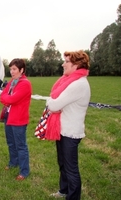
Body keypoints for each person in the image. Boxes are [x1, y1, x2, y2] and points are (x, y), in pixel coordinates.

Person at [47, 50, 90, 199]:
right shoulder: (71, 81)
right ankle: (64, 190)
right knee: (63, 165)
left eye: (66, 61)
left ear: (76, 65)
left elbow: (53, 105)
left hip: (70, 133)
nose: (62, 64)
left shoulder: (78, 84)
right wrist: (54, 103)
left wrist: (50, 102)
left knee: (71, 169)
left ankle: (73, 197)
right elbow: (56, 103)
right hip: (63, 130)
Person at [0, 58, 32, 181]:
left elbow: (11, 99)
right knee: (11, 143)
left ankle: (24, 171)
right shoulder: (12, 82)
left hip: (18, 119)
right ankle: (13, 162)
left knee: (21, 146)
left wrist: (7, 97)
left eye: (14, 69)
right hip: (8, 116)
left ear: (21, 70)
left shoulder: (25, 84)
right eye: (10, 69)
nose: (12, 72)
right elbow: (2, 96)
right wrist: (6, 97)